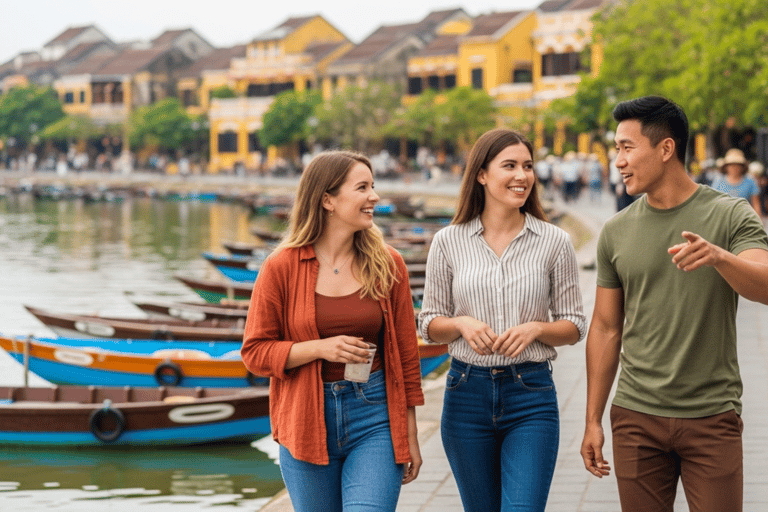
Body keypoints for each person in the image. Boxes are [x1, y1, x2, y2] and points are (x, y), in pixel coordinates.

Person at [580, 96, 768, 512]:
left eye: (627, 148)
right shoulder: (615, 231)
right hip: (635, 417)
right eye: (616, 149)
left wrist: (721, 257)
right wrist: (593, 419)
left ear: (666, 149)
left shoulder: (731, 215)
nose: (618, 161)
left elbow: (765, 286)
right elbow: (606, 328)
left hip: (711, 415)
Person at [241, 150, 424, 512]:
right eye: (362, 188)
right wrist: (319, 348)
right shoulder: (280, 267)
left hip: (374, 416)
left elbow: (406, 355)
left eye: (373, 186)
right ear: (328, 199)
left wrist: (410, 433)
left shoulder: (390, 264)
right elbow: (255, 353)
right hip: (305, 416)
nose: (374, 196)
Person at [418, 128, 586, 512]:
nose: (521, 176)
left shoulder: (554, 241)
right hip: (466, 395)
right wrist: (461, 324)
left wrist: (538, 329)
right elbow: (427, 323)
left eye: (527, 166)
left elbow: (574, 325)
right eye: (509, 165)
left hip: (531, 395)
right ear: (481, 174)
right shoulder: (448, 241)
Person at [711, 148, 762, 216]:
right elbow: (714, 203)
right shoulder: (719, 181)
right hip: (723, 218)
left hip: (744, 218)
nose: (734, 167)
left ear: (743, 167)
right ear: (726, 167)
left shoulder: (750, 181)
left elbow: (756, 204)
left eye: (738, 165)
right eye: (731, 165)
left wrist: (759, 221)